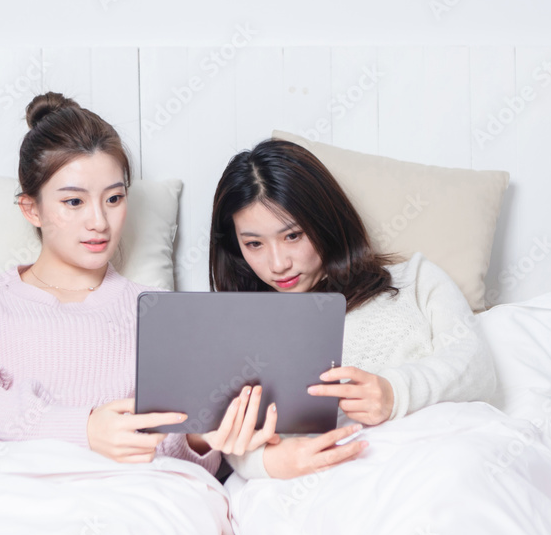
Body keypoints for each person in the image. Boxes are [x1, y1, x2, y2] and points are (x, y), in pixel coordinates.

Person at [0, 92, 277, 473]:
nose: (99, 221)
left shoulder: (159, 309)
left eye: (113, 198)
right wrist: (85, 429)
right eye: (74, 202)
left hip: (127, 496)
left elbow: (173, 447)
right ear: (32, 208)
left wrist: (200, 437)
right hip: (5, 489)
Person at [208, 138, 498, 479]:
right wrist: (271, 463)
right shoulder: (238, 328)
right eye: (254, 244)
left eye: (293, 236)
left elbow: (478, 370)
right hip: (326, 483)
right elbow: (232, 435)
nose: (278, 264)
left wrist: (394, 393)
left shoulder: (416, 280)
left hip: (440, 459)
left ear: (325, 220)